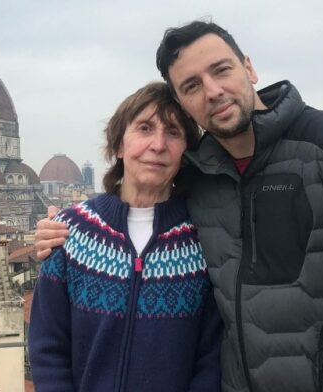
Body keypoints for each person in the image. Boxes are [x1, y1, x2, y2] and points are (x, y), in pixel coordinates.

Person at [35, 21, 323, 392]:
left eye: (221, 69)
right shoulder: (201, 183)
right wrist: (60, 230)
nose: (212, 91)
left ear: (248, 67)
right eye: (192, 86)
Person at [29, 81, 222, 392]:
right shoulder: (69, 232)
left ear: (185, 153)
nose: (158, 145)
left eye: (173, 133)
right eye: (145, 128)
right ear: (118, 145)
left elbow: (212, 357)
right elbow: (47, 347)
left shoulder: (206, 240)